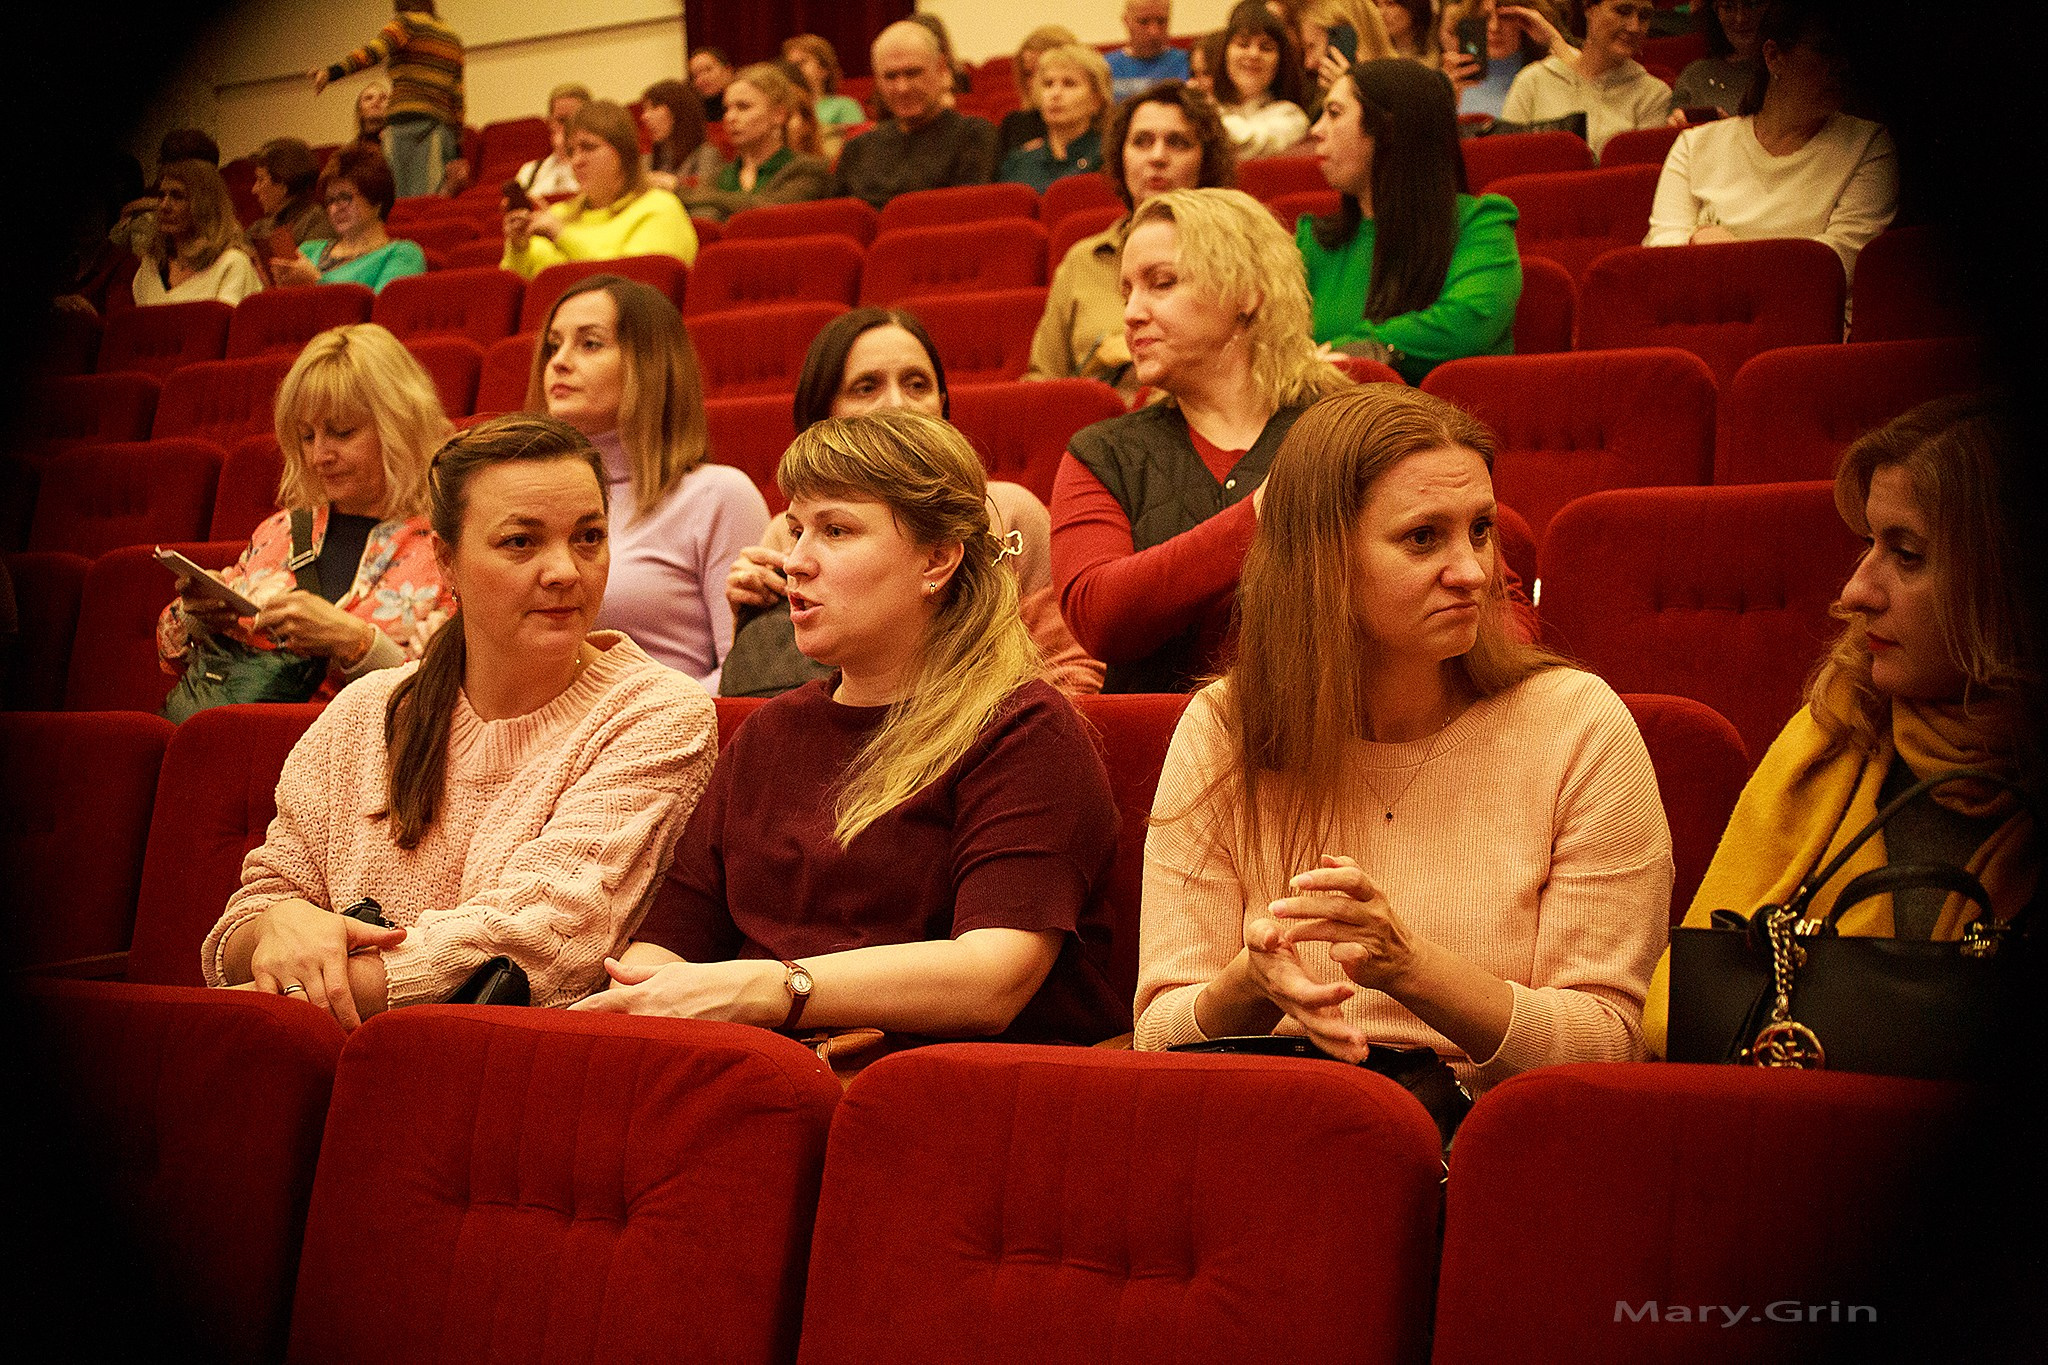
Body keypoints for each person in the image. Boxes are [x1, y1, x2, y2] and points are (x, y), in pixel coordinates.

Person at [1134, 385, 1673, 1088]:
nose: (1473, 572)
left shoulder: (1577, 725)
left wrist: (1411, 968)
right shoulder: (1223, 727)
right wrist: (1249, 984)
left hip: (1490, 1148)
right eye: (1425, 537)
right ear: (1321, 561)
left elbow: (1609, 1044)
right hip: (1273, 1124)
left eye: (1480, 529)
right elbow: (1155, 1039)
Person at [572, 408, 1127, 1049]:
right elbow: (668, 949)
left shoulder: (1025, 731)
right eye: (796, 528)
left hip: (952, 1100)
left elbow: (990, 980)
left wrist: (766, 991)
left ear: (938, 559)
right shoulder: (768, 734)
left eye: (836, 530)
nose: (796, 562)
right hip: (768, 1080)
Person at [199, 413, 717, 1026]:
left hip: (500, 1077)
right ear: (446, 563)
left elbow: (535, 942)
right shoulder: (364, 711)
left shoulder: (657, 715)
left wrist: (286, 996)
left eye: (589, 537)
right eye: (521, 542)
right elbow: (245, 922)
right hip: (315, 1061)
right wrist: (277, 927)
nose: (566, 571)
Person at [1643, 395, 2041, 1055]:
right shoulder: (1831, 732)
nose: (1857, 590)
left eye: (1907, 555)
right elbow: (1677, 1015)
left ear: (2010, 580)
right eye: (1869, 545)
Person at [1051, 188, 1353, 693]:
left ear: (1247, 294)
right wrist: (1265, 512)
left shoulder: (1350, 427)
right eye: (1127, 293)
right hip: (1162, 753)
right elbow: (1099, 615)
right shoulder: (1102, 452)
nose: (1130, 314)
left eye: (1161, 284)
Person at [724, 308, 1104, 698]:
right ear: (824, 415)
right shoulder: (786, 533)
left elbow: (1071, 672)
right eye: (866, 387)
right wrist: (754, 614)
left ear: (941, 403)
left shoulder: (1009, 510)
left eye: (916, 385)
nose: (897, 404)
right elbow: (771, 689)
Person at [157, 324, 455, 698]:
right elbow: (171, 654)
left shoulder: (447, 548)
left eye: (342, 432)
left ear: (399, 426)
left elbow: (449, 697)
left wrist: (356, 642)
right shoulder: (279, 529)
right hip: (236, 737)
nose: (319, 456)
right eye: (307, 436)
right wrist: (197, 617)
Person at [526, 275, 765, 688]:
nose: (559, 361)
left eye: (590, 343)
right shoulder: (527, 504)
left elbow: (747, 675)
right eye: (554, 344)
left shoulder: (718, 496)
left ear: (649, 364)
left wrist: (637, 715)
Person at [1644, 0, 1895, 290]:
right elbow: (1661, 254)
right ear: (1774, 56)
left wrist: (1722, 246)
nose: (1843, 67)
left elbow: (1835, 267)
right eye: (1825, 50)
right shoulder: (1695, 145)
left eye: (1849, 53)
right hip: (1708, 316)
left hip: (1805, 321)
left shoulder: (1869, 145)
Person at [1299, 59, 1523, 381]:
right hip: (1330, 422)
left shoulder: (1480, 224)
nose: (1316, 130)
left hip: (1444, 423)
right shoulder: (1313, 240)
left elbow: (1468, 322)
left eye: (1334, 113)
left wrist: (1353, 348)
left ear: (1389, 129)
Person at [1027, 80, 1238, 395]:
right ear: (1120, 156)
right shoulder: (1083, 259)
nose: (1157, 156)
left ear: (1205, 162)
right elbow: (1042, 384)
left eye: (1178, 143)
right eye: (1141, 141)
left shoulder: (1238, 255)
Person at [501, 100, 698, 278]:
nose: (576, 161)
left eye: (588, 147)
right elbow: (524, 285)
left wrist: (562, 235)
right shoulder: (559, 214)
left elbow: (633, 285)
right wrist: (519, 248)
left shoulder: (659, 208)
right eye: (571, 151)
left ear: (621, 153)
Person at [834, 20, 997, 209]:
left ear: (941, 69)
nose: (902, 88)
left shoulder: (974, 135)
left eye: (913, 73)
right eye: (890, 76)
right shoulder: (857, 150)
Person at [312, 1, 464, 200]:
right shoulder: (452, 38)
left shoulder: (405, 24)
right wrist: (457, 145)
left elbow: (372, 52)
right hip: (440, 129)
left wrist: (332, 72)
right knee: (431, 203)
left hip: (403, 128)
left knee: (399, 205)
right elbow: (458, 98)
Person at [1501, 0, 1670, 156]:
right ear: (1590, 9)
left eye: (1644, 16)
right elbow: (1506, 160)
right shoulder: (1533, 80)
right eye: (1623, 11)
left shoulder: (1654, 95)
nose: (1634, 27)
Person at [679, 63, 834, 222]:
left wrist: (686, 194)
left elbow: (771, 213)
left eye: (743, 107)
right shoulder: (717, 176)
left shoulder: (810, 169)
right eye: (726, 109)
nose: (730, 117)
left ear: (778, 114)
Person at [271, 144, 427, 293]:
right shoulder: (308, 250)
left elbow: (384, 311)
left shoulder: (402, 253)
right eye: (330, 201)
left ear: (376, 199)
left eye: (344, 197)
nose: (335, 208)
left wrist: (315, 282)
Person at [130, 160, 263, 306]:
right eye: (161, 196)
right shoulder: (151, 266)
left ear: (205, 205)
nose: (164, 206)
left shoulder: (232, 263)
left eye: (177, 196)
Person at [998, 44, 1114, 193]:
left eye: (1069, 84)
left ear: (1096, 100)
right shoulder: (1018, 162)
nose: (1055, 94)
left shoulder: (1110, 158)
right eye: (1048, 84)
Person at [1441, 0, 1577, 118]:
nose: (1494, 27)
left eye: (1505, 17)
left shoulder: (1546, 76)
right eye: (1486, 17)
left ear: (1525, 18)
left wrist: (1552, 40)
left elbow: (1587, 84)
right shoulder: (1455, 82)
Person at [1214, 1, 1313, 159]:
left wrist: (1204, 119)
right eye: (1243, 44)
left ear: (1280, 62)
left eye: (1266, 48)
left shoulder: (1291, 116)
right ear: (1225, 54)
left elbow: (1249, 142)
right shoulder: (1213, 106)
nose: (1253, 54)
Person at [996, 25, 1082, 164]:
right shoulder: (1015, 124)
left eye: (1043, 72)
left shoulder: (1101, 130)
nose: (1034, 83)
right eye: (1028, 74)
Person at [1670, 0, 1764, 123]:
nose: (1740, 18)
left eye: (1751, 5)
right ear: (1716, 12)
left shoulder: (1790, 74)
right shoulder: (1695, 76)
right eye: (1728, 7)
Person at [245, 139, 335, 253]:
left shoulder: (316, 222)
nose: (254, 189)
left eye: (260, 180)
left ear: (282, 183)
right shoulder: (259, 227)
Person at [783, 34, 869, 142]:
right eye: (790, 65)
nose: (794, 69)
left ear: (823, 69)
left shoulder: (845, 106)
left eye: (802, 62)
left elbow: (860, 146)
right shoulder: (783, 109)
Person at [514, 83, 591, 199]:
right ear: (550, 123)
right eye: (562, 120)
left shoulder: (599, 166)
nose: (569, 127)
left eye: (575, 120)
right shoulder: (529, 172)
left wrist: (570, 157)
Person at [1110, 0, 1193, 101]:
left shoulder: (1189, 63)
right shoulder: (1106, 68)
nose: (1154, 32)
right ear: (1126, 21)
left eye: (1161, 21)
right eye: (1143, 22)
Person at [639, 79, 710, 194]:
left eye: (654, 107)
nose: (644, 117)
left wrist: (675, 185)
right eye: (645, 109)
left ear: (677, 110)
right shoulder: (649, 159)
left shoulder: (706, 154)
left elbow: (706, 197)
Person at [1378, 0, 1443, 63]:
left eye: (1390, 4)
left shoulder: (1439, 57)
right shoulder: (1376, 55)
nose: (1381, 13)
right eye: (1378, 5)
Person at [690, 48, 736, 122]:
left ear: (728, 70)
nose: (702, 79)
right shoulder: (696, 113)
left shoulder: (746, 99)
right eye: (695, 75)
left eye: (708, 70)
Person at [354, 81, 391, 148]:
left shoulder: (403, 141)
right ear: (359, 110)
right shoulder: (349, 153)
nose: (376, 101)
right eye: (368, 98)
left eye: (383, 98)